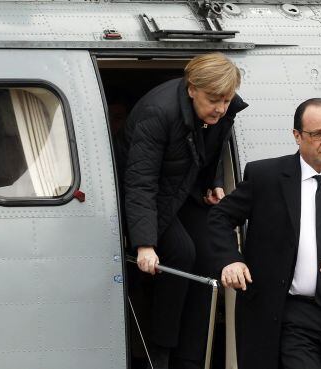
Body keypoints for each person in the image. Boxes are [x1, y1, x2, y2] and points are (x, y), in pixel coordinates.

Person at [208, 98, 321, 369]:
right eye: (317, 134)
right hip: (290, 313)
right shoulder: (265, 176)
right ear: (297, 136)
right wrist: (231, 259)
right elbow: (219, 217)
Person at [118, 53, 247, 369]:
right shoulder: (157, 113)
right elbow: (140, 182)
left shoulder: (221, 111)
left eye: (226, 100)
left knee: (208, 257)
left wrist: (214, 182)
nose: (220, 107)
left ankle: (191, 356)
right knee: (182, 253)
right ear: (192, 89)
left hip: (183, 189)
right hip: (153, 195)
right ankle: (160, 350)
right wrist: (145, 244)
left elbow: (209, 151)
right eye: (214, 100)